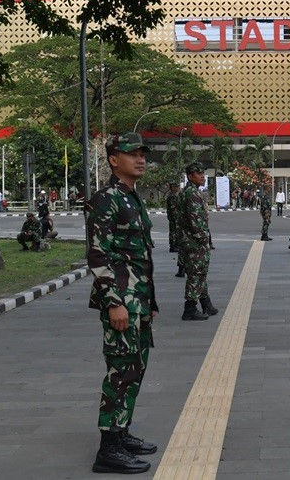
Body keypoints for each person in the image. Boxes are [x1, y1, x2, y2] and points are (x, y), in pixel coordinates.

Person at [86, 132, 158, 474]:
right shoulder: (107, 199)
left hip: (138, 300)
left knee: (135, 368)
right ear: (114, 159)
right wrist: (114, 302)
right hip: (122, 301)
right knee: (121, 371)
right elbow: (98, 255)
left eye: (142, 153)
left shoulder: (132, 197)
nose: (140, 159)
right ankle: (108, 447)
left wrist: (150, 300)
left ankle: (122, 430)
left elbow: (140, 255)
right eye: (132, 154)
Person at [178, 161, 218, 320]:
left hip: (188, 240)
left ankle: (206, 304)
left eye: (203, 172)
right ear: (190, 176)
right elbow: (196, 221)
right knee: (197, 273)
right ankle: (190, 308)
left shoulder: (188, 192)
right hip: (194, 241)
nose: (202, 176)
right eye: (198, 173)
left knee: (198, 273)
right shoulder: (192, 194)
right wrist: (203, 240)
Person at [165, 182, 181, 253]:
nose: (177, 188)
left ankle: (176, 245)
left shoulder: (176, 195)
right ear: (172, 188)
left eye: (177, 186)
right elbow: (173, 208)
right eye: (175, 187)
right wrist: (176, 217)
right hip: (174, 216)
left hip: (176, 216)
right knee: (173, 232)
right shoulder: (171, 196)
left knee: (176, 231)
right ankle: (173, 246)